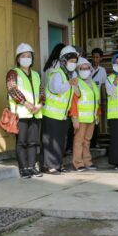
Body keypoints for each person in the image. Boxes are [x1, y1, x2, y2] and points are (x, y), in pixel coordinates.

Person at [7, 43, 44, 179]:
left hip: (35, 113)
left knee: (33, 142)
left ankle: (32, 166)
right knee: (22, 142)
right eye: (23, 56)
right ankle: (24, 168)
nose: (26, 58)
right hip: (21, 113)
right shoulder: (13, 73)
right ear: (18, 59)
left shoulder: (36, 74)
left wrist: (40, 104)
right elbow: (12, 89)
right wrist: (25, 103)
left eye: (29, 56)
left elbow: (41, 90)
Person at [42, 45, 78, 174]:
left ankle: (57, 164)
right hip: (52, 114)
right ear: (63, 60)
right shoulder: (57, 73)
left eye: (75, 62)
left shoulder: (71, 74)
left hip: (62, 114)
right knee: (51, 141)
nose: (73, 64)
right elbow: (56, 89)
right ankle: (49, 165)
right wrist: (69, 84)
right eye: (71, 61)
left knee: (60, 141)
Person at [70, 57, 100, 171]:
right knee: (79, 141)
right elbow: (73, 101)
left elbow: (96, 101)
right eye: (82, 68)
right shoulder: (76, 83)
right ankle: (78, 163)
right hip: (80, 118)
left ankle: (87, 161)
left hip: (91, 118)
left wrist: (97, 114)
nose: (85, 70)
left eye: (87, 68)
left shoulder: (92, 83)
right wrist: (75, 118)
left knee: (87, 141)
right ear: (78, 70)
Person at [89, 47, 107, 149]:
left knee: (96, 122)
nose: (95, 59)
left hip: (97, 101)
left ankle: (94, 142)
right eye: (93, 57)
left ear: (100, 58)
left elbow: (103, 86)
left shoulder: (102, 71)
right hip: (87, 101)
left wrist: (103, 101)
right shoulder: (86, 68)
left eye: (97, 57)